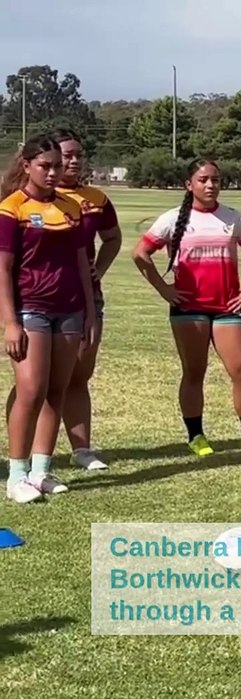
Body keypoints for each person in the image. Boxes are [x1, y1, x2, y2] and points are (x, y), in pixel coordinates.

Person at [132, 158, 241, 457]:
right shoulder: (172, 219)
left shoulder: (232, 217)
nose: (210, 185)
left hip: (227, 308)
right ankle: (196, 436)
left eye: (215, 180)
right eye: (203, 180)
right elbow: (140, 253)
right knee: (194, 371)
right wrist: (164, 288)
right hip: (189, 309)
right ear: (189, 184)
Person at [0, 134, 97, 503]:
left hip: (70, 310)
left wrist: (89, 312)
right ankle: (16, 475)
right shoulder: (12, 209)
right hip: (31, 309)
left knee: (57, 389)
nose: (54, 172)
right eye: (45, 166)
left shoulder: (72, 208)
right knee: (31, 389)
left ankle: (41, 471)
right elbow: (3, 269)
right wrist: (10, 322)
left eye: (57, 165)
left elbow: (81, 264)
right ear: (27, 166)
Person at [53, 128, 121, 471]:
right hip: (39, 298)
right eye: (67, 155)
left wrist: (99, 270)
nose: (75, 161)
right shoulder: (26, 197)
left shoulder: (96, 199)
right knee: (37, 381)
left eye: (79, 154)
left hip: (84, 296)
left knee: (79, 373)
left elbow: (112, 238)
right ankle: (30, 456)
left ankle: (82, 450)